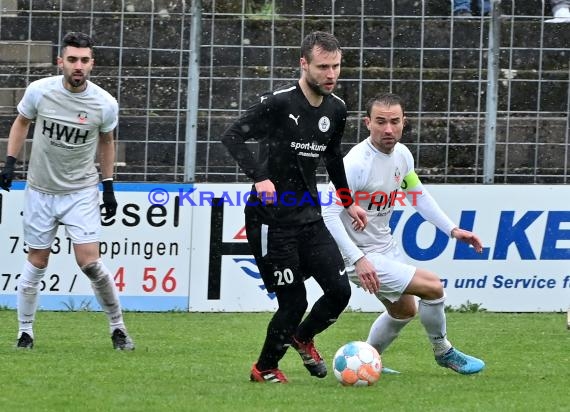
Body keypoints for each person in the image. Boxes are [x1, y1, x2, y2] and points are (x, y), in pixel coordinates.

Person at [221, 31, 367, 383]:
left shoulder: (337, 109)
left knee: (339, 291)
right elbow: (232, 136)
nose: (331, 74)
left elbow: (332, 158)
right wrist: (259, 177)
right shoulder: (279, 103)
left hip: (309, 216)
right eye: (323, 67)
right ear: (304, 64)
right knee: (293, 302)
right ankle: (265, 368)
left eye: (336, 66)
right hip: (271, 219)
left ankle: (302, 338)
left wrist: (348, 203)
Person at [322, 93, 485, 375]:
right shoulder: (356, 164)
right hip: (358, 253)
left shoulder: (402, 156)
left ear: (403, 122)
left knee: (404, 311)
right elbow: (328, 214)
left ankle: (368, 361)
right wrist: (358, 259)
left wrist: (452, 229)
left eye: (394, 122)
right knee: (433, 287)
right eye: (380, 122)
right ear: (367, 123)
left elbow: (417, 196)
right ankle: (443, 351)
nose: (388, 129)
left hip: (383, 246)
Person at [0, 32, 134, 351]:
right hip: (41, 190)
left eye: (84, 60)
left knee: (89, 262)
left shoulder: (104, 103)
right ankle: (25, 333)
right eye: (72, 59)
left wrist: (109, 185)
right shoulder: (39, 92)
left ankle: (118, 328)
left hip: (80, 191)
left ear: (92, 64)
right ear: (61, 62)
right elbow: (21, 122)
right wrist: (9, 162)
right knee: (37, 261)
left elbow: (107, 142)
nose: (78, 66)